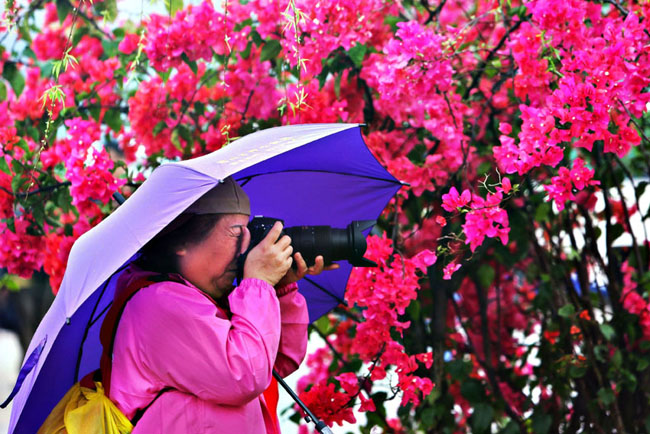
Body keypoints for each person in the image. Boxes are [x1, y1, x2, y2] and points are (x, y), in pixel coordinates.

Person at [105, 177, 332, 433]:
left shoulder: (207, 299)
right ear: (182, 241)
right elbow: (246, 374)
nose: (246, 248)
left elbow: (276, 362)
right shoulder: (156, 303)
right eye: (236, 233)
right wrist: (258, 283)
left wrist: (279, 291)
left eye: (249, 231)